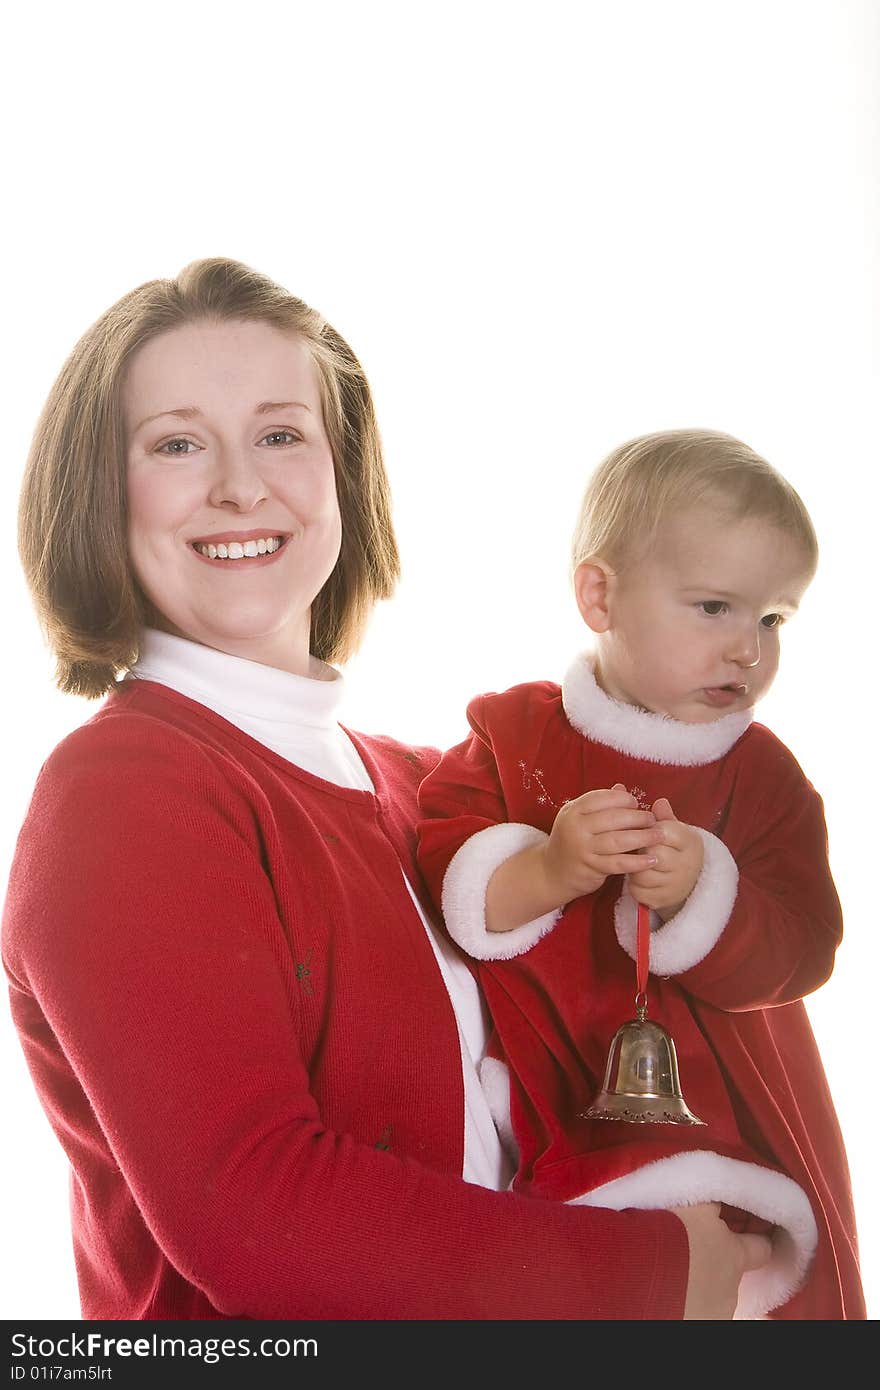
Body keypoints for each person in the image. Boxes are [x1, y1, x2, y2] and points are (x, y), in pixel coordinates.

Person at [1, 260, 770, 1321]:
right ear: (100, 491)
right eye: (176, 443)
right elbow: (256, 1208)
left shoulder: (427, 789)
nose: (240, 485)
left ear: (340, 475)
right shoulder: (124, 791)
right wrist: (658, 1274)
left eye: (281, 434)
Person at [416, 429, 866, 1319]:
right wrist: (549, 866)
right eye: (714, 608)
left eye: (773, 619)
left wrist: (709, 888)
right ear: (600, 594)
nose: (749, 649)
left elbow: (806, 947)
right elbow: (446, 872)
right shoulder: (515, 738)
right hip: (560, 1101)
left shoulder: (764, 778)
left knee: (743, 1288)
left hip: (727, 1110)